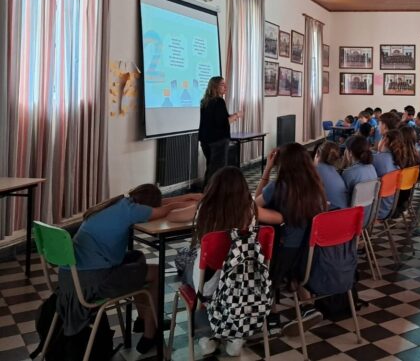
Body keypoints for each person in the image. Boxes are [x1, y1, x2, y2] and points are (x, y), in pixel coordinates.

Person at [57, 184, 197, 353]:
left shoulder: (117, 205)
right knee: (156, 272)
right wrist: (184, 201)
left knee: (138, 258)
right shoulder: (132, 211)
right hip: (92, 281)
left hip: (72, 278)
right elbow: (165, 211)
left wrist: (188, 196)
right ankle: (150, 335)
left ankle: (144, 318)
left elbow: (163, 205)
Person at [185, 167, 281, 356]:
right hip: (245, 283)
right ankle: (236, 337)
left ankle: (205, 336)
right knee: (216, 285)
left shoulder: (205, 208)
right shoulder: (251, 209)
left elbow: (176, 217)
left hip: (210, 284)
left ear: (213, 188)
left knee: (188, 273)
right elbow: (278, 218)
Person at [255, 143, 328, 336]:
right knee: (293, 270)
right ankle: (307, 307)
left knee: (267, 273)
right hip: (308, 251)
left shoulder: (277, 187)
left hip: (282, 251)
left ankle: (272, 315)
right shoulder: (315, 185)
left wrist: (267, 169)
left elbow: (253, 205)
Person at [198, 76, 243, 187]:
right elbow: (223, 122)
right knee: (217, 171)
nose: (225, 87)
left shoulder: (204, 102)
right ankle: (212, 196)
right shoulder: (219, 101)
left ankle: (207, 194)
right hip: (217, 141)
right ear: (215, 87)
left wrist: (233, 117)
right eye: (222, 84)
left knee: (211, 168)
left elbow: (217, 120)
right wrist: (237, 115)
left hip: (205, 141)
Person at [373, 130, 407, 218]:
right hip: (389, 207)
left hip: (375, 210)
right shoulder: (398, 157)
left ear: (385, 141)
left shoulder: (376, 158)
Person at [315, 142, 349, 210]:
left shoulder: (316, 170)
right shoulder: (334, 171)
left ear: (317, 154)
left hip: (329, 215)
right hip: (343, 214)